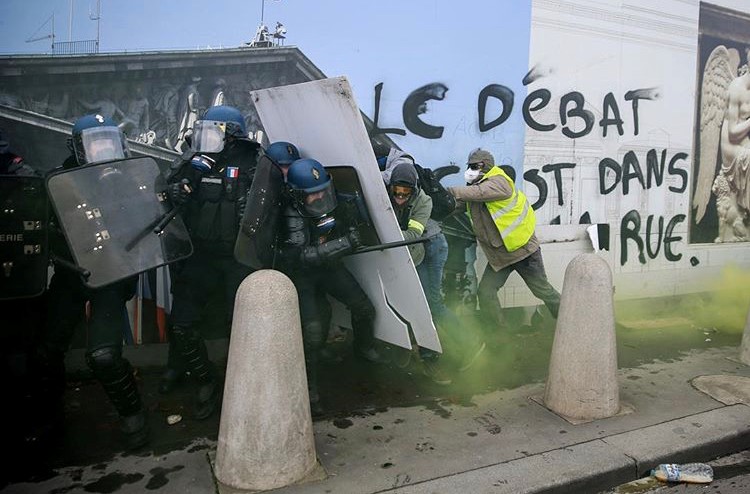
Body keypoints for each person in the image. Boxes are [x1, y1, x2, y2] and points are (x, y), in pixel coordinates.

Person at [31, 114, 148, 450]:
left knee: (103, 355)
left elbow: (143, 228)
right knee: (44, 353)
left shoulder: (128, 179)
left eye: (108, 142)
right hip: (71, 275)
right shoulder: (59, 180)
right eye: (96, 143)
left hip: (109, 276)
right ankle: (48, 416)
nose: (104, 149)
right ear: (80, 148)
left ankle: (133, 413)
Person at [162, 105, 258, 419]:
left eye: (213, 131)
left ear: (232, 136)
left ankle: (241, 383)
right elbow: (164, 192)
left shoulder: (254, 162)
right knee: (182, 324)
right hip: (200, 256)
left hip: (237, 258)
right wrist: (175, 190)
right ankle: (205, 378)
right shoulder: (192, 162)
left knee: (242, 326)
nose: (205, 137)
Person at [276, 158, 380, 415]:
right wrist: (346, 243)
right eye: (313, 194)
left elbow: (344, 226)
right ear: (299, 196)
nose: (320, 197)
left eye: (323, 190)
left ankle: (364, 349)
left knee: (364, 308)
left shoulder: (331, 204)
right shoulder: (291, 212)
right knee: (311, 333)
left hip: (329, 268)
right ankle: (308, 388)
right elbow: (302, 255)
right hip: (303, 275)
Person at [385, 158, 485, 385]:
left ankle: (469, 344)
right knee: (412, 302)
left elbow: (413, 236)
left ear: (415, 190)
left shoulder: (424, 201)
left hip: (431, 250)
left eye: (405, 192)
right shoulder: (383, 191)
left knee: (431, 304)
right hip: (411, 251)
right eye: (396, 191)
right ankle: (410, 348)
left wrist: (383, 236)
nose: (400, 196)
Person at [446, 148, 560, 331]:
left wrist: (447, 191)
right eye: (470, 167)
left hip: (524, 252)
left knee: (542, 290)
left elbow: (479, 193)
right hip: (501, 255)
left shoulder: (499, 182)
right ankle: (497, 335)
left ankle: (570, 320)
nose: (470, 170)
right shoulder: (477, 188)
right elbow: (460, 205)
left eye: (474, 166)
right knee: (486, 292)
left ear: (486, 166)